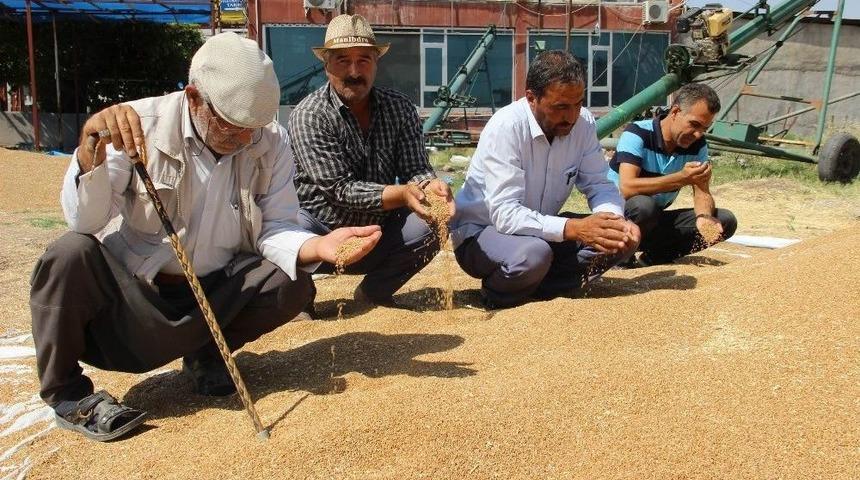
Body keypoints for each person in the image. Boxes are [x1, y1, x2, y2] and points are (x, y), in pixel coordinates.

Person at [29, 32, 382, 442]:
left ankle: (207, 356)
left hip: (216, 300)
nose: (247, 140)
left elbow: (276, 226)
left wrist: (318, 246)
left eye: (255, 128)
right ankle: (69, 395)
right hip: (136, 306)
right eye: (234, 127)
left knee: (292, 281)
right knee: (68, 253)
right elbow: (84, 221)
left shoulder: (269, 140)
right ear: (194, 98)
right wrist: (92, 146)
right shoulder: (136, 126)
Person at [287, 14, 454, 310]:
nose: (354, 71)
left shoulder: (399, 107)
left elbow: (415, 168)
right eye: (342, 61)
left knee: (434, 220)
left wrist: (431, 187)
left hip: (378, 231)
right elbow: (339, 189)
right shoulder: (309, 115)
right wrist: (403, 194)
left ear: (376, 63)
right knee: (283, 230)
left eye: (363, 60)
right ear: (326, 65)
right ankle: (300, 300)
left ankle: (375, 292)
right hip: (322, 230)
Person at [450, 50, 640, 309]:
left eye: (578, 103)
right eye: (561, 106)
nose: (571, 116)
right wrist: (573, 228)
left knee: (623, 236)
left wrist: (613, 218)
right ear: (531, 98)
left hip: (539, 233)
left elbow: (599, 183)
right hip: (483, 233)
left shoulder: (582, 123)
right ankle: (497, 293)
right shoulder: (507, 127)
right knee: (533, 255)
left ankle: (537, 289)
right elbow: (505, 215)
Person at [607, 83, 737, 266]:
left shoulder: (697, 145)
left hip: (652, 221)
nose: (698, 134)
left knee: (725, 220)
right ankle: (620, 259)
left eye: (704, 129)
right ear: (675, 112)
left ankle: (652, 259)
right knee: (644, 206)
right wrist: (681, 178)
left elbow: (702, 192)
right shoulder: (637, 133)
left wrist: (703, 216)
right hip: (617, 220)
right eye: (694, 124)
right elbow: (627, 188)